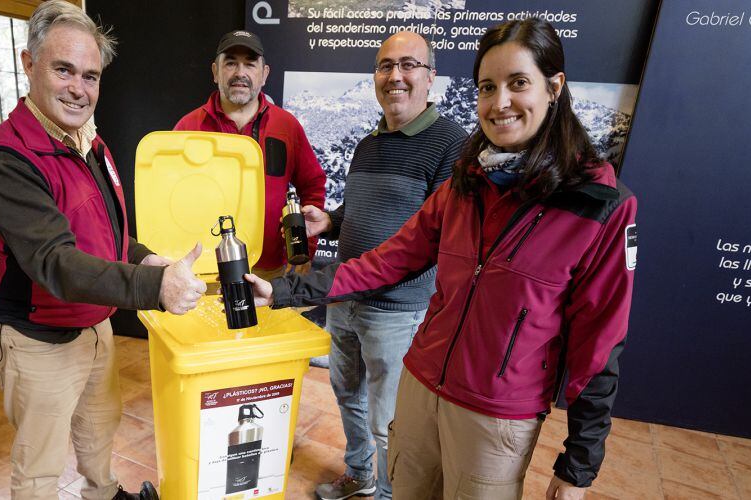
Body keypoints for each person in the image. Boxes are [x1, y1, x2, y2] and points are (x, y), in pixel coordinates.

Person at [245, 18, 636, 500]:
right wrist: (283, 289)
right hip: (422, 385)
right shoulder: (466, 182)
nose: (500, 103)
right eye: (487, 87)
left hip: (495, 413)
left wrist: (579, 465)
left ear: (554, 87)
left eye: (518, 83)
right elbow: (387, 259)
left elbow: (599, 344)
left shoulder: (598, 204)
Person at [0, 2, 205, 499]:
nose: (79, 88)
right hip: (34, 334)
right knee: (39, 466)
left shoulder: (89, 142)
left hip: (92, 322)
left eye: (91, 75)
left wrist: (145, 258)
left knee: (99, 429)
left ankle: (102, 493)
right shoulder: (7, 159)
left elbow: (108, 232)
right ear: (29, 64)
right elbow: (55, 261)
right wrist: (155, 286)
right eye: (64, 70)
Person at [301, 31, 467, 500]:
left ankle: (391, 493)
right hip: (345, 301)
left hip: (396, 311)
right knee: (347, 398)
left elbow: (435, 240)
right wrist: (328, 221)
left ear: (430, 77)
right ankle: (359, 477)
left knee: (389, 419)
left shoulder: (451, 145)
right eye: (385, 66)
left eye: (408, 65)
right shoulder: (369, 142)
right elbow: (356, 213)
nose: (395, 76)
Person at [174, 30, 326, 280]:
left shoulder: (287, 126)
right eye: (231, 62)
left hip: (270, 271)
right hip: (206, 271)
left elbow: (313, 184)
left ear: (264, 74)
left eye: (250, 64)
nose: (240, 73)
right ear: (215, 72)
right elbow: (173, 198)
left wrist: (304, 249)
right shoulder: (188, 128)